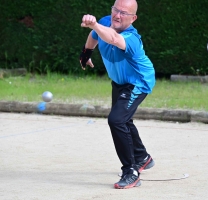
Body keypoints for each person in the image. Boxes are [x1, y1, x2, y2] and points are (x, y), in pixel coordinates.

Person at [79, 0, 155, 189]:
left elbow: (113, 39)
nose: (117, 15)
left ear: (133, 18)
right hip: (120, 82)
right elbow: (94, 35)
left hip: (137, 82)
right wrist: (86, 53)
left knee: (117, 120)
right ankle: (142, 157)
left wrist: (94, 24)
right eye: (115, 10)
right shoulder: (105, 22)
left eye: (123, 13)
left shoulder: (132, 39)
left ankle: (131, 172)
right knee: (124, 120)